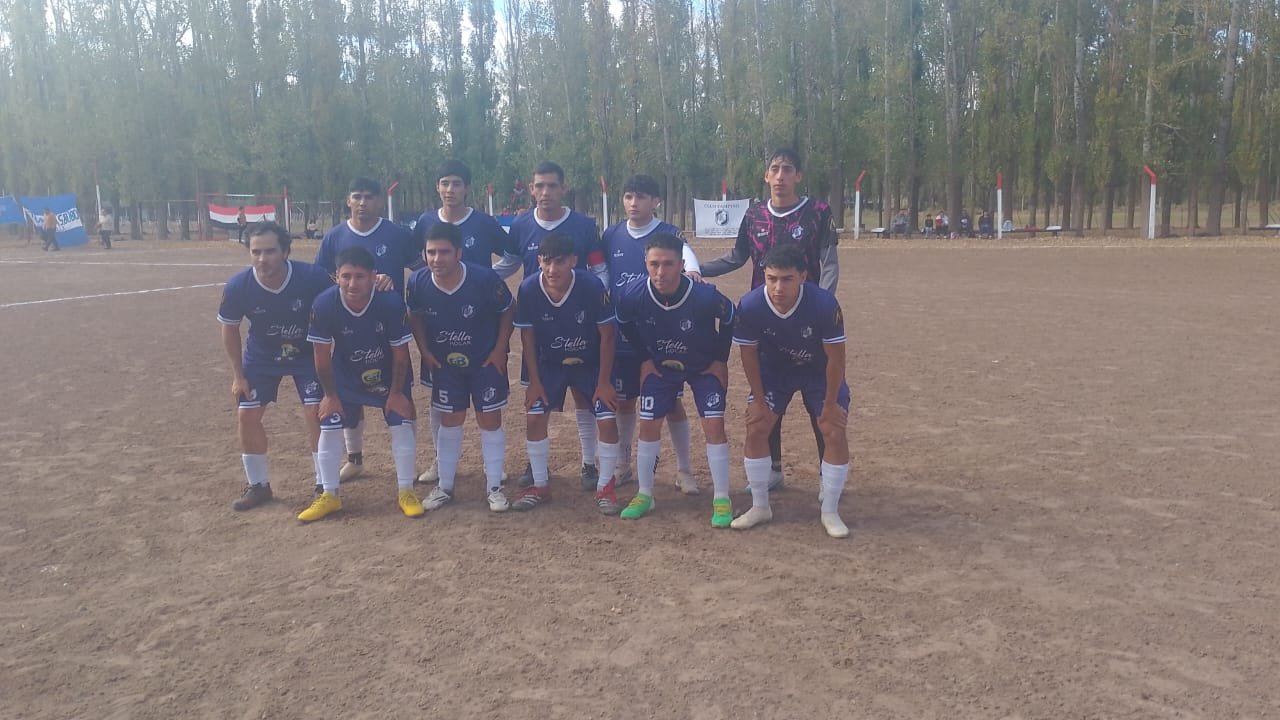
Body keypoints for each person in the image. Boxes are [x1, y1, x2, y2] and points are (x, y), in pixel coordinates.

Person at [700, 147, 838, 493]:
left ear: (798, 176)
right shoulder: (754, 215)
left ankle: (827, 475)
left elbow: (829, 263)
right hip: (766, 322)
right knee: (767, 395)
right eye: (774, 169)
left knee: (817, 400)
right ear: (766, 176)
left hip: (807, 321)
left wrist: (823, 305)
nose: (780, 176)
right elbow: (736, 257)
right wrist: (697, 269)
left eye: (787, 169)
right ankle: (773, 469)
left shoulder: (818, 212)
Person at [494, 161, 609, 491]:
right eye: (539, 186)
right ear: (531, 189)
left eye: (552, 185)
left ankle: (589, 463)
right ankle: (536, 465)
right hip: (541, 326)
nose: (545, 192)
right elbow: (509, 264)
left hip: (580, 323)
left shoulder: (584, 225)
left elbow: (599, 268)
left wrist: (602, 300)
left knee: (584, 399)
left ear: (563, 188)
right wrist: (476, 278)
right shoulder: (521, 225)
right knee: (537, 399)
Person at [614, 233, 737, 527]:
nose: (660, 272)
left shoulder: (704, 295)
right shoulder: (632, 294)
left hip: (703, 366)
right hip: (661, 367)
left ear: (681, 265)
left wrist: (720, 360)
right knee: (648, 425)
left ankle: (722, 497)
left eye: (668, 264)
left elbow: (731, 316)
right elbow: (623, 321)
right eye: (654, 264)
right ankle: (645, 494)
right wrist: (645, 357)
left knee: (714, 425)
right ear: (645, 264)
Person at [412, 159, 522, 485]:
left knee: (487, 399)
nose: (450, 189)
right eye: (445, 183)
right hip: (440, 321)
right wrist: (431, 281)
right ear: (437, 187)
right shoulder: (425, 222)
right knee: (440, 395)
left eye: (457, 183)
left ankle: (493, 466)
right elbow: (415, 259)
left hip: (480, 319)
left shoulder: (484, 222)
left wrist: (489, 276)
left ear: (467, 188)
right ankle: (440, 460)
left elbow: (512, 255)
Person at [730, 244, 851, 538]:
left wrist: (831, 404)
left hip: (818, 372)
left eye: (787, 279)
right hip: (775, 372)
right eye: (771, 279)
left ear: (803, 277)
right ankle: (760, 507)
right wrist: (759, 401)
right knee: (756, 427)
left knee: (833, 430)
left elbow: (836, 359)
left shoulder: (824, 305)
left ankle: (830, 511)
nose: (778, 287)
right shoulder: (750, 305)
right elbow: (748, 356)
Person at [301, 246, 422, 522]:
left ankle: (406, 491)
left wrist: (396, 393)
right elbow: (321, 356)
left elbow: (400, 354)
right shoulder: (323, 304)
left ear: (373, 276)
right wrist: (330, 395)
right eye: (346, 276)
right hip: (346, 373)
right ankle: (330, 495)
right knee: (329, 422)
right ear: (336, 277)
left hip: (388, 373)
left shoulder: (390, 303)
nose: (352, 284)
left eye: (359, 277)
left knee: (401, 420)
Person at [218, 222, 334, 511]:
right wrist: (238, 376)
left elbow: (342, 300)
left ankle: (324, 483)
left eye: (270, 251)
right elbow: (230, 329)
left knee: (315, 411)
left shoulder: (313, 277)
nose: (262, 259)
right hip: (262, 355)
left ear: (285, 252)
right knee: (247, 414)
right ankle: (258, 485)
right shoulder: (238, 286)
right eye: (255, 252)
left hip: (307, 353)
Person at [601, 174, 703, 495]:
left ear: (655, 201)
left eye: (641, 197)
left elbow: (687, 254)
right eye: (628, 196)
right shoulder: (612, 234)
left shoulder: (668, 232)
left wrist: (693, 270)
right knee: (623, 401)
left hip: (661, 335)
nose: (633, 203)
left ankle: (684, 470)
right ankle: (622, 466)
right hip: (624, 332)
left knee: (671, 403)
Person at [315, 177, 419, 483]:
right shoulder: (334, 237)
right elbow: (323, 277)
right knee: (350, 392)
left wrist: (395, 289)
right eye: (357, 196)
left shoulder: (397, 234)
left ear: (380, 201)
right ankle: (355, 459)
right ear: (348, 200)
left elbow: (422, 270)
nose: (363, 203)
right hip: (348, 326)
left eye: (369, 197)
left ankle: (409, 469)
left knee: (401, 395)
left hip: (389, 326)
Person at [406, 223, 514, 513]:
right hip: (445, 364)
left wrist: (499, 350)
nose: (436, 259)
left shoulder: (484, 278)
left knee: (489, 419)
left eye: (444, 252)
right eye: (431, 252)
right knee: (450, 421)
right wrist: (424, 349)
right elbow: (415, 315)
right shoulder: (417, 282)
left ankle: (494, 487)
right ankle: (445, 486)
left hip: (484, 361)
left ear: (458, 253)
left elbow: (507, 310)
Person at [513, 233, 621, 512]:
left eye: (559, 262)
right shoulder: (528, 289)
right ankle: (540, 485)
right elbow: (527, 338)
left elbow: (607, 336)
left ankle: (605, 488)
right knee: (534, 416)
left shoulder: (591, 286)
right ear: (539, 260)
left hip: (590, 363)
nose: (552, 269)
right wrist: (534, 382)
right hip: (551, 364)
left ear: (573, 261)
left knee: (607, 419)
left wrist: (604, 382)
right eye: (546, 261)